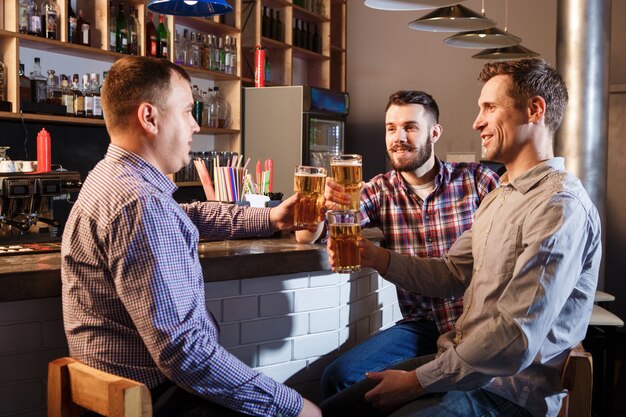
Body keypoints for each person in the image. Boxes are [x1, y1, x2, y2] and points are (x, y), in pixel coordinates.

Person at [322, 58, 601, 417]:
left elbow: (515, 338)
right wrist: (376, 257)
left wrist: (418, 382)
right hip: (457, 364)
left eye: (489, 107)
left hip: (505, 391)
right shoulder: (502, 194)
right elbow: (452, 274)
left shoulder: (559, 206)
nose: (477, 121)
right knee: (325, 408)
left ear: (534, 110)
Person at [61, 56, 322, 417]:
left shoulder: (111, 179)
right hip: (159, 399)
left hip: (118, 391)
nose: (196, 126)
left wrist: (272, 217)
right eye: (187, 112)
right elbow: (184, 354)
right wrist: (293, 408)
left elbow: (190, 215)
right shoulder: (141, 204)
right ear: (149, 118)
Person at [317, 90, 499, 400]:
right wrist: (323, 208)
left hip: (475, 323)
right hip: (422, 327)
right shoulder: (379, 190)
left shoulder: (477, 181)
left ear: (435, 132)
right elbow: (326, 232)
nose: (398, 137)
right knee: (338, 378)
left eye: (410, 127)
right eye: (391, 128)